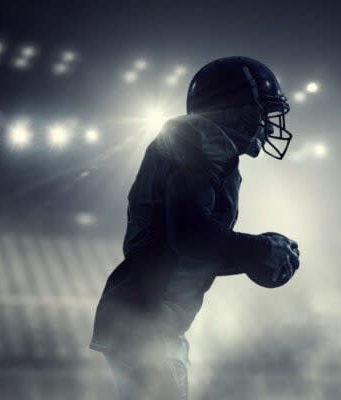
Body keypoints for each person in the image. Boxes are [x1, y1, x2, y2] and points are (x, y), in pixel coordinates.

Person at [89, 56, 301, 400]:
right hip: (146, 317)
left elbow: (185, 249)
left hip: (151, 317)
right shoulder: (200, 141)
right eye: (262, 109)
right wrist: (257, 250)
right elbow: (190, 236)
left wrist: (253, 256)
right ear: (237, 110)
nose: (267, 122)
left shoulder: (205, 150)